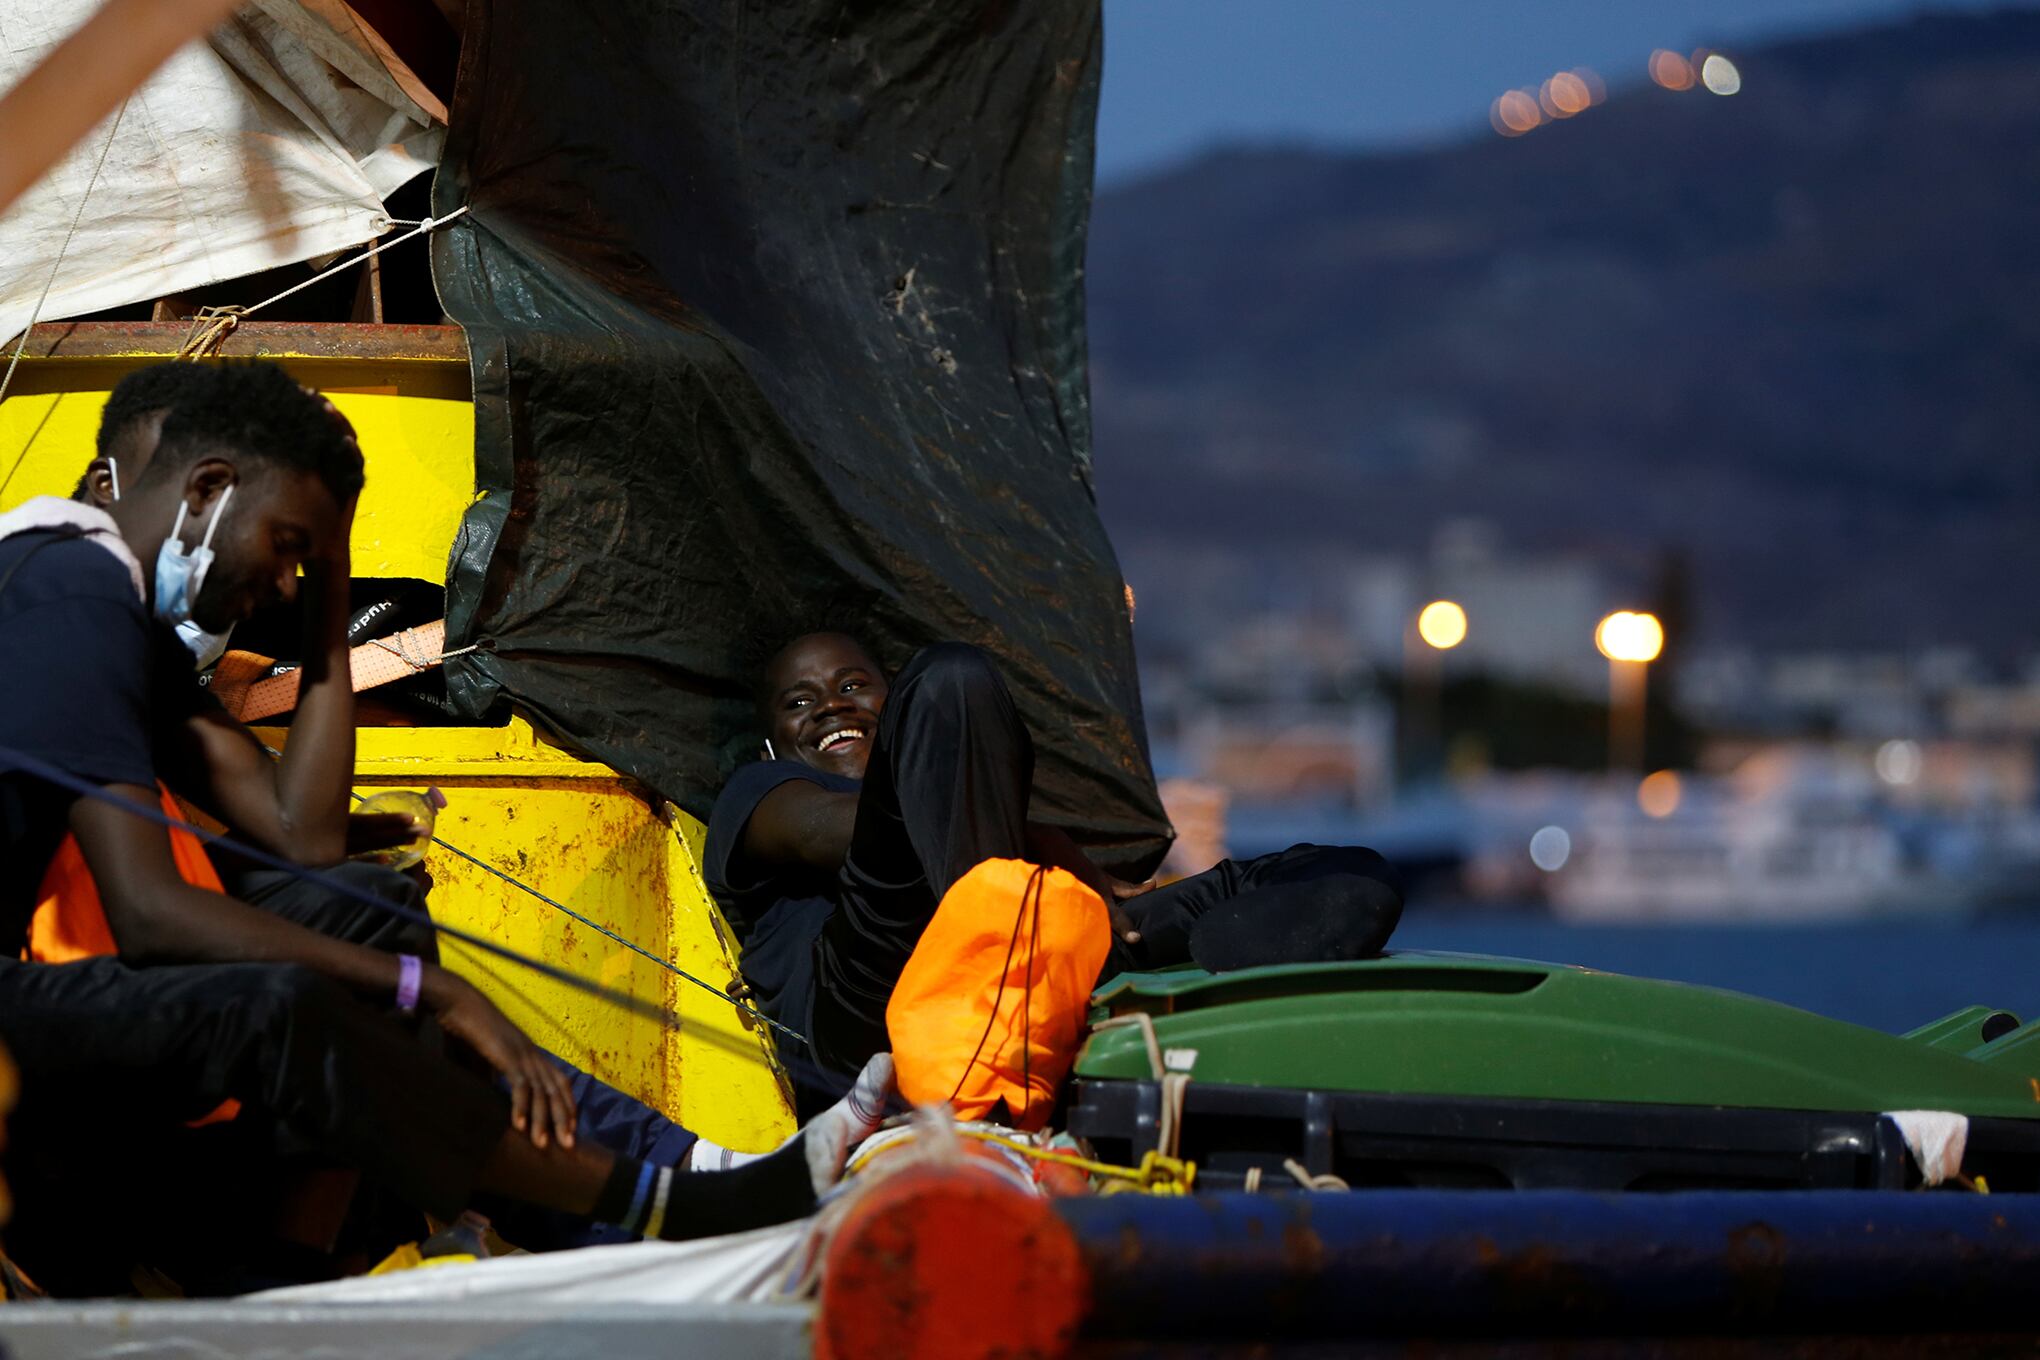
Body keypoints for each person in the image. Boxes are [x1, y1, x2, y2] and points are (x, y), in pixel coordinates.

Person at [0, 363, 887, 1295]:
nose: (281, 584)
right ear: (210, 489)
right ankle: (678, 1204)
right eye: (289, 545)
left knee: (359, 908)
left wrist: (335, 594)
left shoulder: (114, 610)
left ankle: (656, 1195)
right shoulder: (64, 589)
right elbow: (149, 911)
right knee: (288, 1001)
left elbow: (298, 832)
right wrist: (437, 991)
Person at [705, 632, 1404, 1114]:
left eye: (856, 685)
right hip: (857, 1003)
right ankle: (997, 993)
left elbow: (948, 805)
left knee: (1348, 872)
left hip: (1015, 945)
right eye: (800, 701)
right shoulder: (759, 793)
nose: (833, 705)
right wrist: (1045, 841)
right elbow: (831, 834)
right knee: (953, 674)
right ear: (772, 738)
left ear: (895, 717)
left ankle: (1202, 975)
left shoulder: (974, 819)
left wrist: (1057, 869)